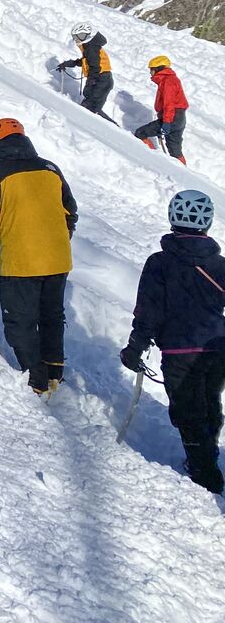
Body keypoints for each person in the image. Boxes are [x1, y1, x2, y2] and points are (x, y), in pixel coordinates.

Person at [120, 190, 225, 494]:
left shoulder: (159, 263)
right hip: (217, 348)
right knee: (209, 402)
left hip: (179, 351)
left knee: (187, 411)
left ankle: (205, 473)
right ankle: (207, 458)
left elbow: (148, 311)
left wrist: (135, 347)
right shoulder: (220, 265)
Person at [0, 119, 77, 396]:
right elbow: (70, 212)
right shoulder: (50, 169)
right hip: (58, 258)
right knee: (52, 315)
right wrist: (58, 240)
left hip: (22, 262)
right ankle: (54, 371)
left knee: (20, 321)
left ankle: (36, 379)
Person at [55, 23, 117, 124]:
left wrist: (92, 80)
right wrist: (69, 64)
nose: (77, 40)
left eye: (79, 36)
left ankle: (114, 129)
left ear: (86, 35)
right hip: (100, 79)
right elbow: (87, 62)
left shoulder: (91, 47)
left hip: (101, 80)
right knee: (89, 107)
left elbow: (95, 67)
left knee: (92, 109)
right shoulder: (89, 46)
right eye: (75, 37)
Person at [134, 55, 189, 165]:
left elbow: (169, 104)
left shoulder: (168, 81)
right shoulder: (170, 79)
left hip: (172, 118)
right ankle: (183, 171)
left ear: (158, 69)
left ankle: (153, 161)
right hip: (179, 118)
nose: (150, 73)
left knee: (140, 133)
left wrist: (166, 123)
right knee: (175, 151)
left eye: (151, 70)